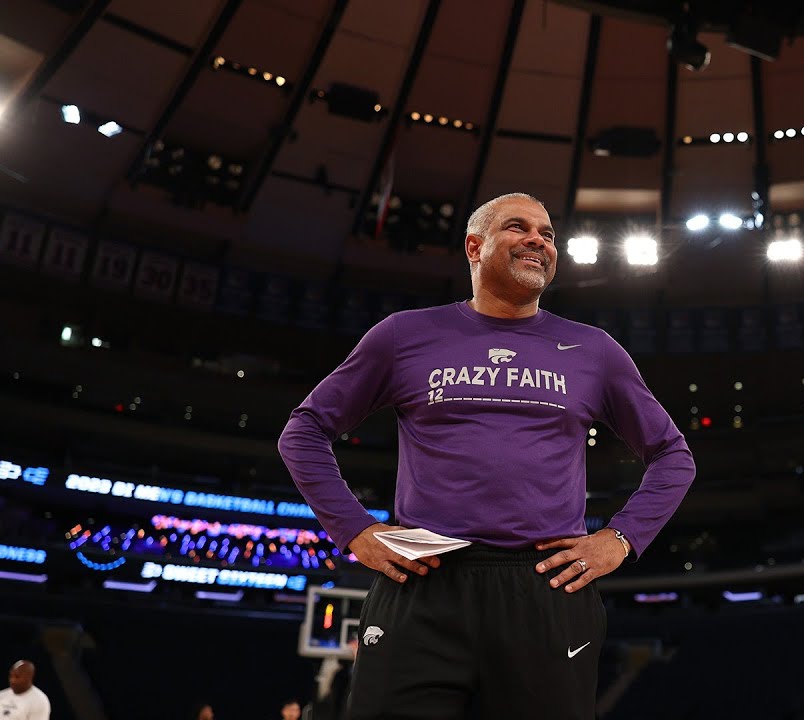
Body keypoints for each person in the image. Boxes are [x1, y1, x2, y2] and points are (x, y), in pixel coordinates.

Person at [279, 192, 696, 720]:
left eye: (547, 234)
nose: (537, 241)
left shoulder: (594, 350)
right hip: (423, 580)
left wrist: (620, 538)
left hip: (544, 586)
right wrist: (355, 530)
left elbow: (673, 455)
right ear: (475, 246)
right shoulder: (405, 335)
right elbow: (305, 430)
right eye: (518, 228)